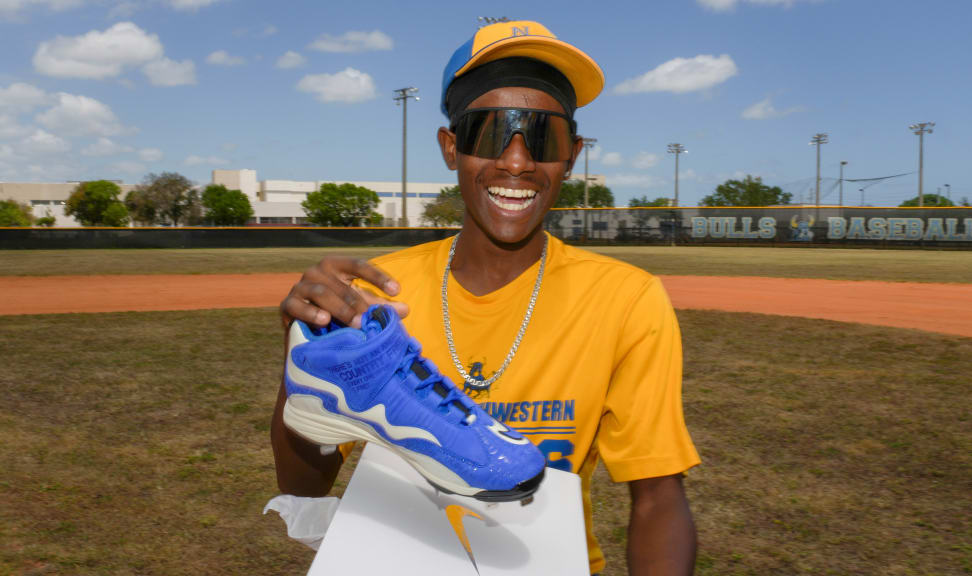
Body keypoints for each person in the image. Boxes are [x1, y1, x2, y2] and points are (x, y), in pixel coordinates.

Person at [272, 20, 701, 575]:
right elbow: (302, 484)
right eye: (490, 132)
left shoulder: (625, 299)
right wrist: (298, 364)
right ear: (452, 148)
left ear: (571, 153)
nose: (516, 162)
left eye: (542, 136)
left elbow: (659, 496)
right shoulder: (373, 299)